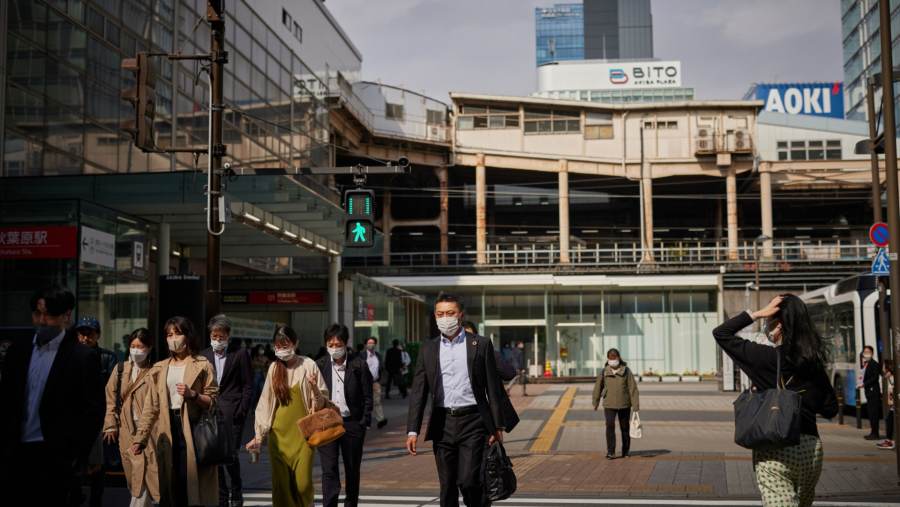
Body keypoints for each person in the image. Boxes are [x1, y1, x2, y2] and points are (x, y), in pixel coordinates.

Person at [713, 295, 838, 507]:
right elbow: (830, 408)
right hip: (810, 449)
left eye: (769, 321)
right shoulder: (814, 363)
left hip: (775, 448)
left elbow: (721, 333)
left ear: (778, 325)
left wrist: (758, 313)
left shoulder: (765, 357)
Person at [0, 287, 105, 505]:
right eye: (37, 314)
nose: (41, 320)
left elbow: (93, 410)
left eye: (48, 315)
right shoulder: (18, 352)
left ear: (66, 316)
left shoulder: (81, 357)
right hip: (16, 454)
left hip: (55, 457)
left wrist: (75, 455)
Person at [406, 293, 507, 507]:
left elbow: (493, 387)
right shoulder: (428, 348)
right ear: (434, 316)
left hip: (473, 421)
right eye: (440, 314)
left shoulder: (480, 344)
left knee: (469, 481)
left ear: (460, 315)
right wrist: (412, 430)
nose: (445, 318)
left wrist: (497, 425)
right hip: (442, 423)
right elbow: (418, 391)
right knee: (447, 485)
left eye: (450, 313)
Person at [133, 316, 219, 507]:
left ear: (187, 336)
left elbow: (212, 401)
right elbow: (151, 407)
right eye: (169, 334)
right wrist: (141, 438)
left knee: (188, 482)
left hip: (192, 429)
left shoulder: (202, 364)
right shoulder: (159, 368)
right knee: (170, 482)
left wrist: (193, 395)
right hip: (166, 430)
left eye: (177, 333)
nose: (173, 338)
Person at [245, 326, 328, 507]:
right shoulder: (274, 368)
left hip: (303, 436)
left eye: (286, 344)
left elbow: (322, 403)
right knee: (282, 487)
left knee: (303, 485)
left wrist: (314, 387)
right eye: (278, 345)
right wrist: (258, 436)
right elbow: (265, 403)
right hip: (278, 437)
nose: (282, 349)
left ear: (296, 343)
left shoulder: (308, 365)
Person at [316, 324, 373, 507]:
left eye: (338, 343)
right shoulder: (320, 365)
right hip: (327, 423)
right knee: (329, 469)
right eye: (330, 344)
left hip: (352, 424)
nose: (334, 347)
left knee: (351, 468)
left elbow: (367, 396)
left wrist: (363, 422)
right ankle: (329, 503)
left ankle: (351, 503)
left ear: (345, 343)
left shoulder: (358, 365)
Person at [103, 328, 159, 507]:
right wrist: (110, 424)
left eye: (140, 346)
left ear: (149, 348)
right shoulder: (120, 370)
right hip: (125, 431)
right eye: (133, 346)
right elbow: (110, 399)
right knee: (132, 477)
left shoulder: (155, 371)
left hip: (149, 431)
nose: (136, 350)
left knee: (144, 474)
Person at [201, 315, 253, 507]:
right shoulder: (204, 355)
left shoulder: (239, 354)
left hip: (233, 414)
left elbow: (247, 385)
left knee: (230, 455)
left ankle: (237, 493)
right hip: (211, 414)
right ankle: (222, 496)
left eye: (221, 336)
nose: (217, 340)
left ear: (228, 335)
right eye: (214, 336)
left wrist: (242, 410)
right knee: (216, 456)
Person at [75, 316, 120, 507]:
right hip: (75, 417)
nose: (85, 338)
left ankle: (96, 500)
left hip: (98, 417)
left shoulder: (107, 357)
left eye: (89, 334)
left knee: (97, 465)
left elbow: (113, 391)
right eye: (82, 334)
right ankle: (76, 496)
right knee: (75, 463)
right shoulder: (70, 356)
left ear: (98, 335)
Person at [591, 348, 639, 459]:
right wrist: (596, 401)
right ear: (608, 359)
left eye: (614, 357)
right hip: (609, 404)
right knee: (610, 426)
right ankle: (611, 452)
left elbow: (633, 389)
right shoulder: (604, 371)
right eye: (610, 358)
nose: (613, 360)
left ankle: (625, 451)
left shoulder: (626, 371)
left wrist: (635, 405)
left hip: (624, 404)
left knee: (625, 427)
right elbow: (598, 387)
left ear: (618, 358)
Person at [860, 345, 883, 440]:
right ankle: (873, 432)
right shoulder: (866, 364)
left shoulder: (874, 364)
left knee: (874, 413)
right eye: (865, 352)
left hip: (873, 392)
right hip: (869, 392)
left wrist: (864, 384)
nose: (866, 354)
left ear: (872, 353)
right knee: (870, 413)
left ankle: (875, 434)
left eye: (868, 352)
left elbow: (875, 378)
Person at [365, 337, 388, 429]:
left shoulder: (378, 355)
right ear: (366, 344)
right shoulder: (362, 355)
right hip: (365, 383)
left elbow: (382, 368)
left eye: (373, 343)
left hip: (376, 382)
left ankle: (381, 419)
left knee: (377, 401)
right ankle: (367, 422)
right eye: (369, 343)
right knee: (367, 402)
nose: (371, 344)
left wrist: (381, 380)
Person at [878, 361, 895, 450]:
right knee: (889, 420)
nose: (883, 369)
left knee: (889, 421)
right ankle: (889, 440)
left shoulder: (894, 378)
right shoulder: (889, 378)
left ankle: (890, 441)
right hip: (893, 406)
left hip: (895, 406)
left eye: (884, 367)